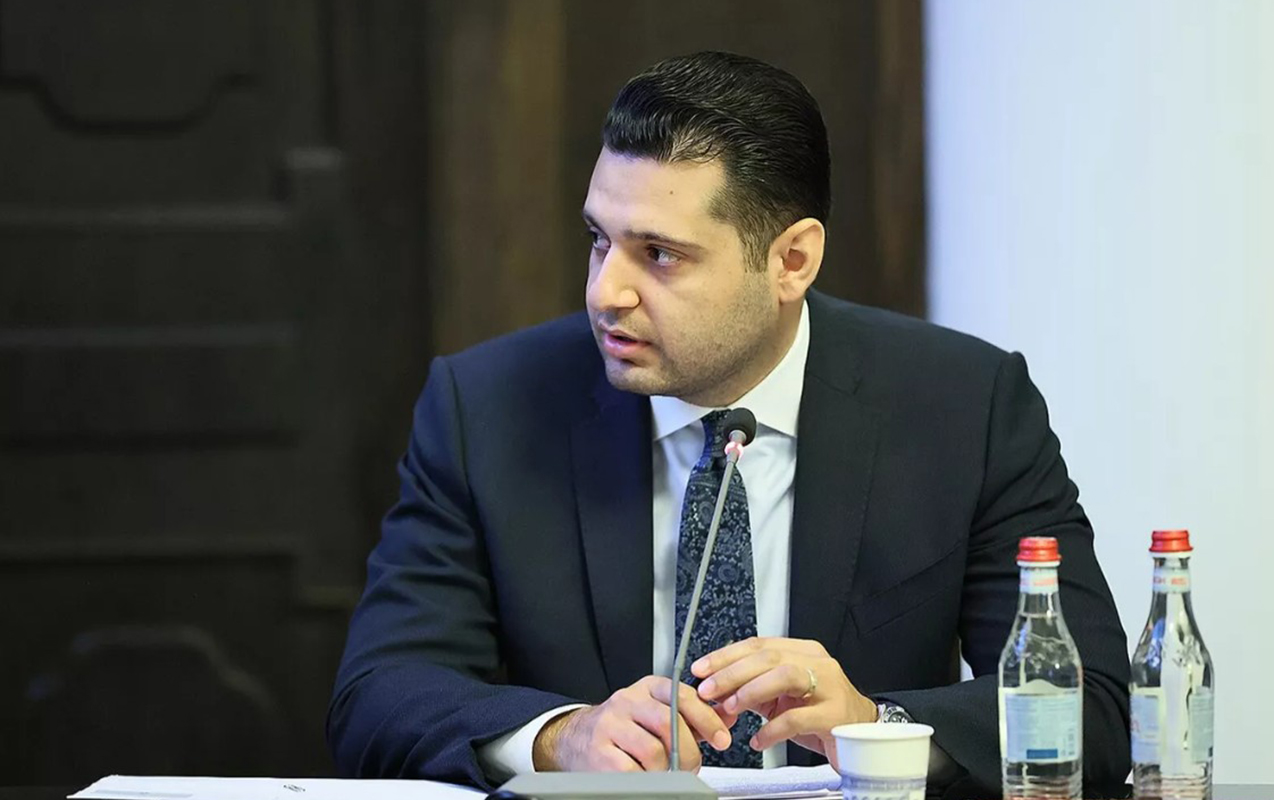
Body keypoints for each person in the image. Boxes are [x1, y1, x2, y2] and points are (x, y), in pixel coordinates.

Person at [327, 51, 1131, 798]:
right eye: (599, 240)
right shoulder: (487, 408)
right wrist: (562, 739)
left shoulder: (964, 406)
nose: (606, 292)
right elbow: (379, 693)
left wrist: (876, 727)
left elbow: (1092, 709)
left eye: (659, 254)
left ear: (792, 261)